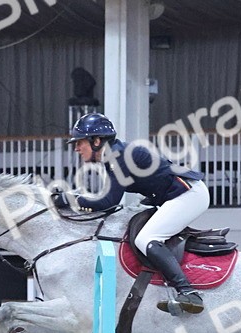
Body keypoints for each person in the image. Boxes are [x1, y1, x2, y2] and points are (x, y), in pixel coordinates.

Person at [56, 113, 209, 315]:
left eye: (80, 142)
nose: (76, 148)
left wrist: (70, 199)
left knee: (147, 238)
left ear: (96, 141)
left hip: (189, 194)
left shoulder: (116, 157)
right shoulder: (113, 155)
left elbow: (108, 202)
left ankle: (188, 292)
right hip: (171, 195)